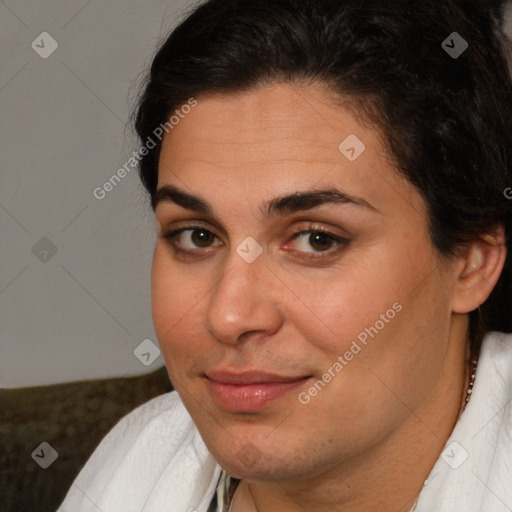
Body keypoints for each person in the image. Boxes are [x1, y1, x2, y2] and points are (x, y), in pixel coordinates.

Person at [57, 0, 512, 510]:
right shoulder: (132, 469)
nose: (229, 316)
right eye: (197, 236)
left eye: (317, 239)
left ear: (472, 261)